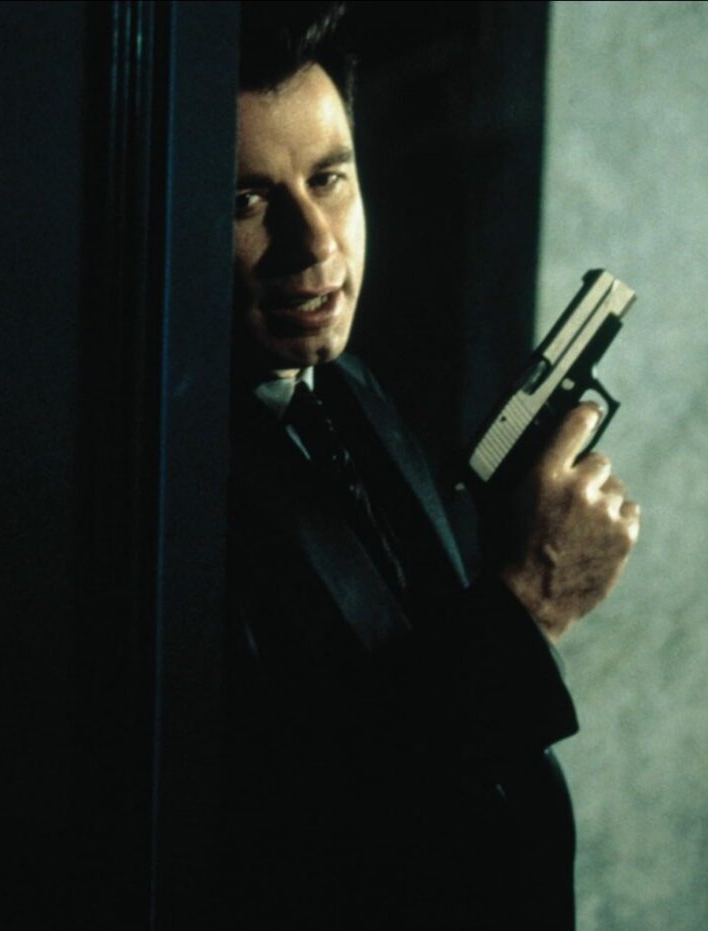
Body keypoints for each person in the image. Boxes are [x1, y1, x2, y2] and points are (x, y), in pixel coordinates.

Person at [227, 4, 638, 928]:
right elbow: (317, 821)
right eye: (246, 201)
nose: (315, 244)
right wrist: (530, 600)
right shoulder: (172, 479)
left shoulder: (348, 387)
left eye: (329, 179)